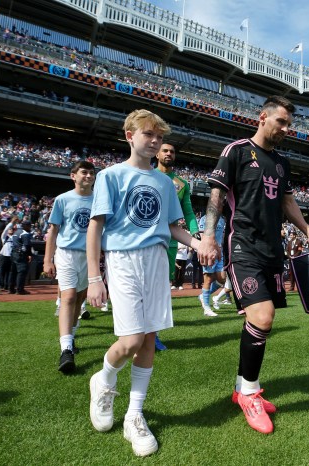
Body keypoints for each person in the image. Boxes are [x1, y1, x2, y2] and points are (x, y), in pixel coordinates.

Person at [198, 95, 309, 435]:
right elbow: (216, 197)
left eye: (289, 125)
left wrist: (308, 230)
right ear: (263, 117)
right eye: (281, 122)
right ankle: (250, 393)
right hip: (243, 247)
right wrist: (208, 236)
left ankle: (243, 387)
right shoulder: (236, 150)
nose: (285, 129)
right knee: (262, 316)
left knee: (261, 321)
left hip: (272, 251)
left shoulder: (282, 162)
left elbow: (287, 201)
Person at [85, 109, 204, 457]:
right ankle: (104, 379)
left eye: (159, 137)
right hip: (122, 259)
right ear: (129, 135)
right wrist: (94, 277)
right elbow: (96, 228)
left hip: (156, 259)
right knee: (132, 339)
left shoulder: (165, 182)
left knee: (149, 337)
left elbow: (170, 227)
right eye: (148, 134)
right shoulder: (110, 176)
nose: (154, 141)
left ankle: (134, 415)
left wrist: (197, 243)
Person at [43, 160, 96, 374]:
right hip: (66, 253)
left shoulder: (99, 200)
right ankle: (65, 349)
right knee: (69, 297)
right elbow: (53, 231)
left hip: (89, 256)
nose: (89, 176)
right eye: (84, 172)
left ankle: (71, 337)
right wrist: (48, 260)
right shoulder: (62, 200)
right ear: (73, 175)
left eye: (92, 173)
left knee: (79, 300)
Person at [154, 142, 199, 350]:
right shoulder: (147, 175)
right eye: (165, 150)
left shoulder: (181, 184)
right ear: (157, 154)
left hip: (171, 240)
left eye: (172, 151)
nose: (169, 154)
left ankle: (152, 334)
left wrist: (195, 230)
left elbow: (188, 211)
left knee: (162, 286)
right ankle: (138, 332)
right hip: (148, 238)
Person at [197, 213, 226, 317]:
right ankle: (206, 307)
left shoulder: (222, 220)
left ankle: (203, 296)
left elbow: (222, 236)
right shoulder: (204, 219)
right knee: (208, 279)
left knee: (222, 278)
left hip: (220, 252)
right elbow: (201, 236)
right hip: (209, 251)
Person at [9, 220, 32, 295]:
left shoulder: (16, 232)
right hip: (21, 254)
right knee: (21, 272)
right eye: (29, 226)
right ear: (26, 226)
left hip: (13, 253)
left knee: (13, 272)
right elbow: (27, 246)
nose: (30, 227)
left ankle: (11, 289)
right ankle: (20, 289)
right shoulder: (25, 234)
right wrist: (29, 255)